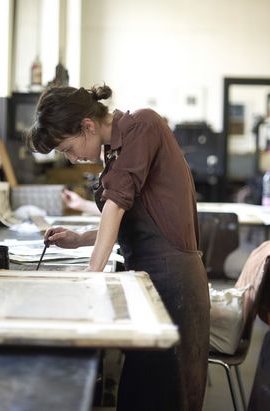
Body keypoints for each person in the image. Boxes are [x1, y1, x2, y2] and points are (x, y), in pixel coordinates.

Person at [24, 84, 210, 410]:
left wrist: (91, 275)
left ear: (88, 125)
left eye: (68, 148)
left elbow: (116, 205)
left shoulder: (143, 125)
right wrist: (79, 239)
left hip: (172, 282)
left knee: (164, 393)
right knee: (140, 388)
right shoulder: (115, 151)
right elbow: (132, 223)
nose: (71, 159)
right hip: (150, 278)